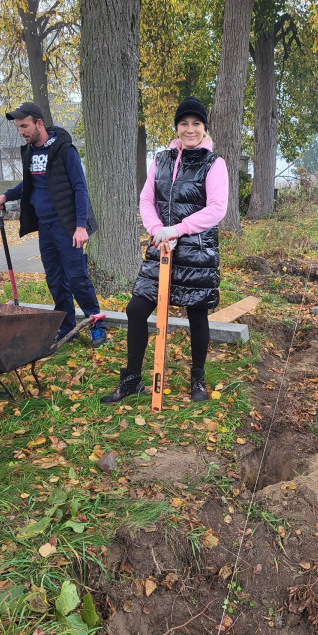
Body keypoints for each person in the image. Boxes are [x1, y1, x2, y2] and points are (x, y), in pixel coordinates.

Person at [101, 96, 228, 404]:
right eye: (184, 123)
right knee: (136, 309)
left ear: (204, 128)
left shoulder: (214, 163)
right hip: (161, 246)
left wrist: (177, 229)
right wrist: (158, 230)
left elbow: (217, 208)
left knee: (196, 313)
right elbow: (146, 200)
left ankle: (197, 378)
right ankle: (132, 379)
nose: (190, 129)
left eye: (196, 123)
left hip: (196, 252)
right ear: (177, 127)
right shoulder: (161, 160)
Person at [0, 102, 106, 346]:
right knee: (55, 279)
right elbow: (28, 184)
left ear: (39, 123)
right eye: (18, 127)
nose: (21, 131)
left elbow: (80, 188)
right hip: (45, 228)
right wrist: (5, 196)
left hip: (67, 227)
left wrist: (81, 226)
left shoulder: (64, 150)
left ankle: (97, 324)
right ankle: (67, 326)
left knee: (77, 278)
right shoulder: (30, 152)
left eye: (24, 126)